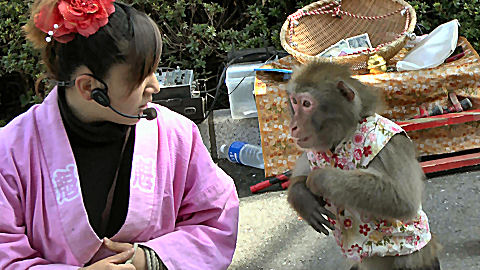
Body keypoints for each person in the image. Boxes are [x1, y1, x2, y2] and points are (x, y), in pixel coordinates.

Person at [0, 1, 239, 269]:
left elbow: (216, 217)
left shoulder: (177, 135)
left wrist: (150, 259)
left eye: (154, 71)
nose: (156, 87)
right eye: (141, 77)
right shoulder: (9, 152)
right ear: (90, 87)